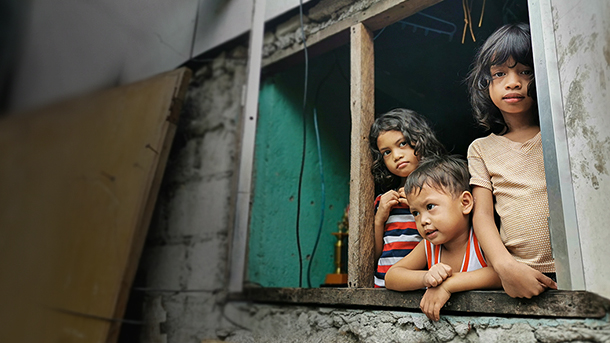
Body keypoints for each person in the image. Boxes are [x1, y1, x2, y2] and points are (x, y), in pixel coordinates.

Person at [465, 22, 557, 298]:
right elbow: (482, 216)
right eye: (500, 73)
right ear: (485, 84)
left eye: (525, 71)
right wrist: (506, 267)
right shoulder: (481, 149)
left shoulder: (560, 135)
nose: (513, 82)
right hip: (518, 274)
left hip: (578, 266)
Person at [385, 155, 501, 321]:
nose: (423, 220)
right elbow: (391, 277)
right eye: (415, 213)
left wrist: (447, 285)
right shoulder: (429, 246)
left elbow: (499, 275)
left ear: (465, 203)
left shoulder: (480, 239)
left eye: (430, 207)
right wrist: (426, 278)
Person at [368, 108, 445, 288]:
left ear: (419, 140)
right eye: (386, 152)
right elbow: (373, 256)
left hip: (426, 285)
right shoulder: (385, 201)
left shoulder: (441, 194)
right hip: (381, 288)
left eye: (402, 143)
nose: (396, 156)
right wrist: (380, 218)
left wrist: (419, 205)